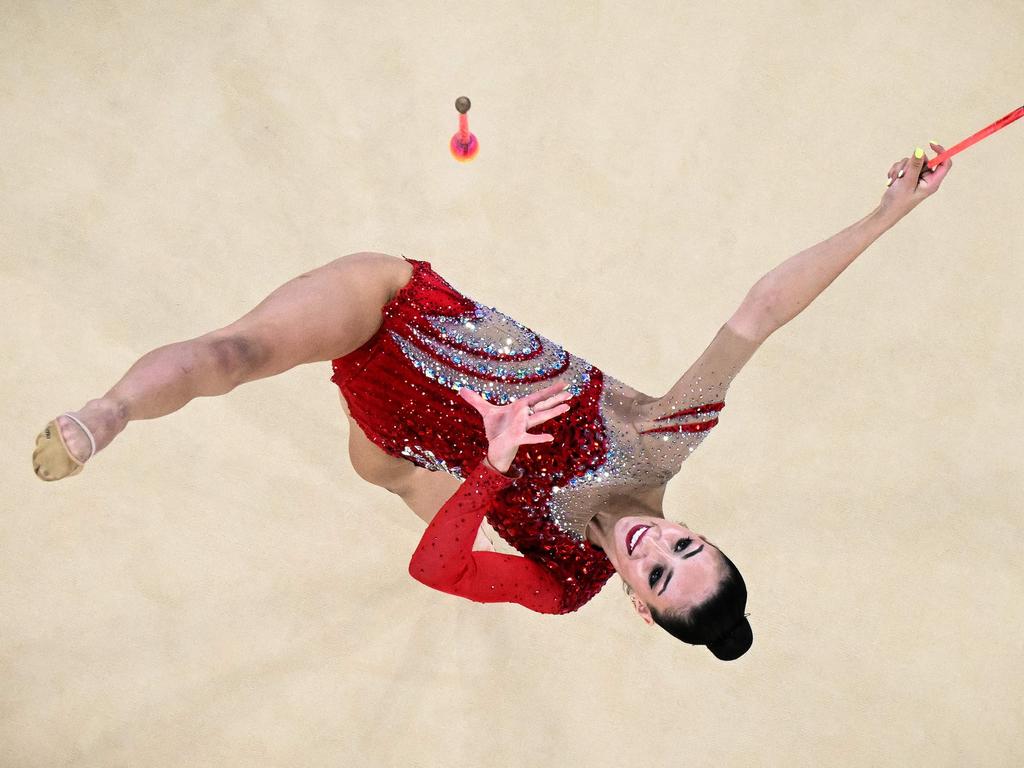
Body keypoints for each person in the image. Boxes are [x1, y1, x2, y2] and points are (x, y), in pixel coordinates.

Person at [33, 143, 953, 661]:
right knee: (238, 353)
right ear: (698, 531)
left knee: (380, 471)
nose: (657, 549)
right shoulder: (664, 438)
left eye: (661, 577)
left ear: (637, 605)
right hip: (399, 311)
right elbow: (761, 311)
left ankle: (392, 454)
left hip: (411, 437)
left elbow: (436, 571)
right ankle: (112, 411)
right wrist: (885, 216)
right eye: (687, 547)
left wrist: (496, 461)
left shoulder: (565, 587)